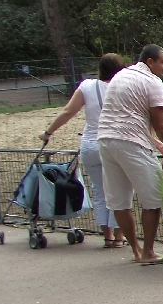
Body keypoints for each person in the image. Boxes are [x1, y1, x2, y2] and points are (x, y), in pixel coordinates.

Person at [96, 44, 163, 264]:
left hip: (105, 139)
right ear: (150, 62)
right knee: (152, 198)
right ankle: (148, 251)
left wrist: (156, 143)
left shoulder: (121, 76)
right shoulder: (152, 81)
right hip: (131, 143)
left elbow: (124, 117)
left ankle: (136, 250)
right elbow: (161, 126)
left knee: (119, 200)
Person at [39, 53, 125, 247]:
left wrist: (48, 132)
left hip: (89, 144)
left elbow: (68, 111)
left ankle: (108, 236)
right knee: (118, 191)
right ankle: (120, 237)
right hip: (112, 143)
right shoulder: (122, 87)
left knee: (99, 190)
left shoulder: (87, 86)